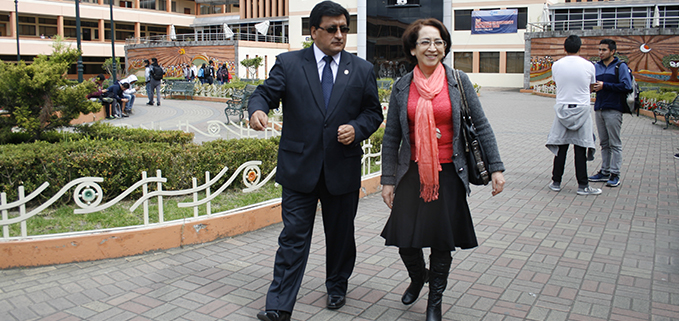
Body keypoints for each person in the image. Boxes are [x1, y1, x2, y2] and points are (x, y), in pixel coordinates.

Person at [247, 1, 383, 320]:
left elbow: (373, 112)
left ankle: (337, 285)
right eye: (332, 28)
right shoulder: (290, 63)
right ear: (313, 31)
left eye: (344, 29)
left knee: (340, 236)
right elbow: (264, 93)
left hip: (342, 167)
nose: (339, 34)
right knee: (293, 238)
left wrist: (358, 128)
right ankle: (279, 305)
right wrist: (257, 110)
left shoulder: (361, 69)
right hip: (299, 169)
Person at [379, 18, 505, 321]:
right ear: (413, 48)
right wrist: (387, 179)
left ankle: (435, 301)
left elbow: (482, 126)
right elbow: (392, 136)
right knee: (406, 242)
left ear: (445, 47)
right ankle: (417, 277)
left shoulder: (458, 81)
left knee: (440, 243)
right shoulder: (401, 86)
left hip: (449, 174)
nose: (432, 48)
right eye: (425, 42)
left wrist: (497, 168)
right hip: (412, 174)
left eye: (438, 42)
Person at [546, 35, 601, 196]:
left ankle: (556, 182)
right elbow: (591, 86)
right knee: (580, 149)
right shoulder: (589, 65)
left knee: (561, 148)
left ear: (564, 48)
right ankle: (583, 186)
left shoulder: (556, 65)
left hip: (562, 109)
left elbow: (558, 83)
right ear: (579, 48)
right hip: (582, 109)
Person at [589, 39, 632, 188]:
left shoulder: (621, 67)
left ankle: (615, 173)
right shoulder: (597, 67)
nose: (600, 53)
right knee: (604, 143)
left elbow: (627, 86)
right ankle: (605, 171)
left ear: (612, 51)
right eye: (599, 50)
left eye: (604, 50)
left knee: (615, 143)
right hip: (599, 107)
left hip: (614, 108)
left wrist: (605, 85)